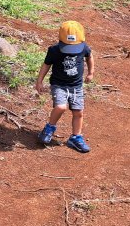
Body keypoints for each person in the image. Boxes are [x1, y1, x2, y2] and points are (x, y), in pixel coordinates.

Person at [34, 20, 95, 153]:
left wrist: (91, 72)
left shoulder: (84, 47)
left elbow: (89, 57)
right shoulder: (55, 50)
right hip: (59, 85)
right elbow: (46, 65)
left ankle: (76, 137)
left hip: (76, 86)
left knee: (78, 112)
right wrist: (39, 81)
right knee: (61, 107)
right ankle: (49, 128)